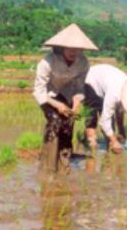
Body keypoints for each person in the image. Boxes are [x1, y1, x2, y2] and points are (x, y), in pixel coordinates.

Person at [33, 23, 98, 175]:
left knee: (68, 127)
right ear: (61, 48)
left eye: (76, 49)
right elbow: (39, 91)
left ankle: (64, 165)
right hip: (49, 96)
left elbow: (79, 87)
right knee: (55, 122)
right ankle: (48, 167)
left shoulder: (83, 63)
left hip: (68, 95)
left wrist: (76, 103)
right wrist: (57, 105)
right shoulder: (47, 62)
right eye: (69, 48)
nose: (73, 52)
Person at [84, 64, 127, 154]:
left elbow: (120, 110)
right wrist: (114, 140)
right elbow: (104, 121)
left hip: (105, 83)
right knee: (92, 119)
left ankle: (108, 153)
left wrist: (121, 131)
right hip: (90, 81)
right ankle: (92, 151)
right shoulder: (115, 93)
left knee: (111, 126)